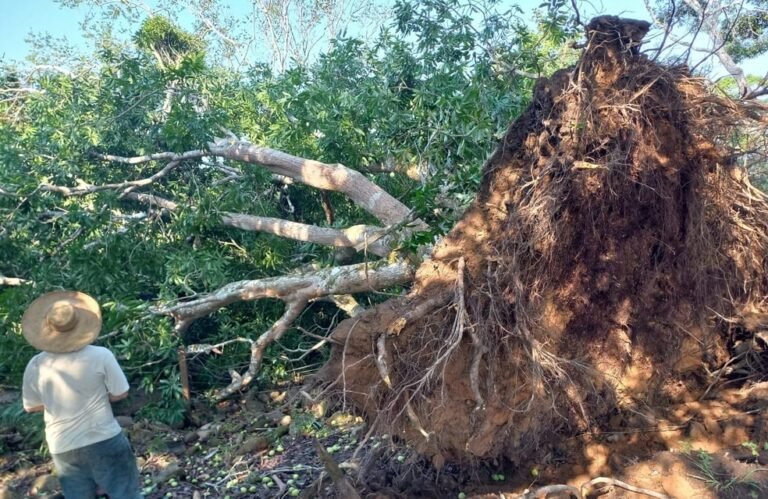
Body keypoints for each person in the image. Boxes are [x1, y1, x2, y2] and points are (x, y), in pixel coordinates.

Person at [21, 290, 143, 499]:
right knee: (126, 493)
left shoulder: (36, 365)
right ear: (80, 324)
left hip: (63, 445)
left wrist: (58, 401)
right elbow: (120, 393)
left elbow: (31, 406)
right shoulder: (100, 355)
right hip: (103, 437)